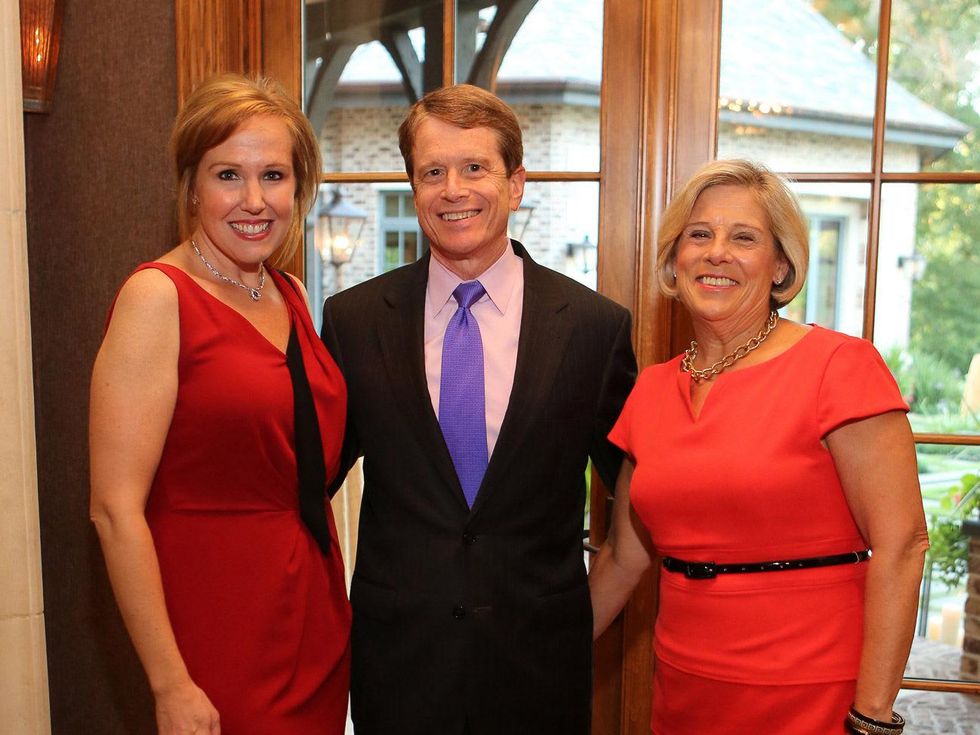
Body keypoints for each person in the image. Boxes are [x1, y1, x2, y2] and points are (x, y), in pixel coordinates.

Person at [320, 84, 636, 735]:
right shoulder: (353, 321)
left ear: (515, 184)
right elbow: (302, 485)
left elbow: (640, 510)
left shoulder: (592, 328)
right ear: (413, 188)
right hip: (398, 673)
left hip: (539, 678)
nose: (452, 189)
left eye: (474, 168)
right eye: (432, 171)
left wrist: (569, 627)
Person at [589, 158, 929, 735]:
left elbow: (902, 546)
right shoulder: (650, 390)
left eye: (744, 237)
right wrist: (535, 656)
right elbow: (625, 558)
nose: (717, 252)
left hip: (812, 690)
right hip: (686, 688)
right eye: (699, 235)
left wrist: (871, 718)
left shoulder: (839, 368)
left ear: (780, 265)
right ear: (675, 260)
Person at [89, 74, 351, 735]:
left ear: (300, 188)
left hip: (313, 620)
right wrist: (170, 681)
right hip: (216, 630)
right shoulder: (158, 298)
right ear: (191, 185)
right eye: (229, 174)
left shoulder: (287, 290)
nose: (255, 200)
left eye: (275, 175)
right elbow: (115, 509)